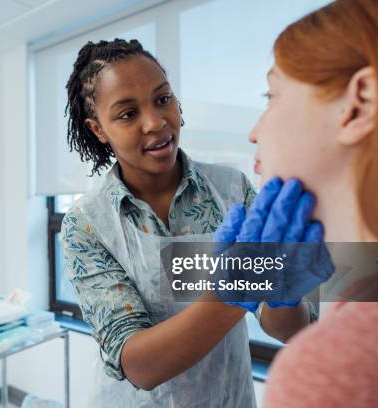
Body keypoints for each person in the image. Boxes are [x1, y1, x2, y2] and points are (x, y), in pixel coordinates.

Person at [61, 39, 321, 407]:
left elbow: (288, 326)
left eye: (162, 99)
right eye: (127, 114)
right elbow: (139, 364)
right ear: (98, 129)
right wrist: (238, 286)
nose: (155, 122)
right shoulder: (86, 225)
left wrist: (284, 288)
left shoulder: (232, 190)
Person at [236, 0, 378, 406]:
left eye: (271, 94)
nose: (253, 132)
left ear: (359, 104)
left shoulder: (346, 365)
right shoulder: (377, 288)